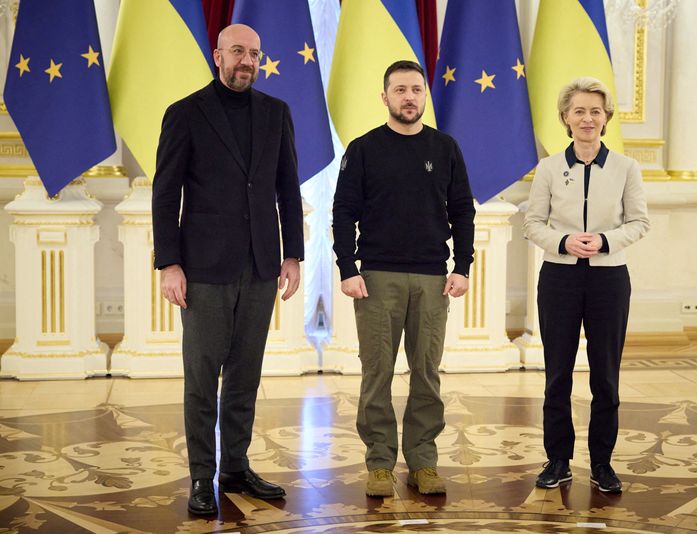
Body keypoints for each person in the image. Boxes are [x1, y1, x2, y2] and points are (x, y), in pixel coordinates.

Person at [152, 24, 303, 515]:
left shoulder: (276, 113)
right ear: (218, 55)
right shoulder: (185, 113)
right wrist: (169, 262)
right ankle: (201, 476)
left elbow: (286, 188)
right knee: (202, 377)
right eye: (238, 51)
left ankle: (235, 467)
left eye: (255, 54)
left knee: (245, 375)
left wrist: (292, 254)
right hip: (203, 270)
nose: (247, 61)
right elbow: (165, 193)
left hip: (261, 265)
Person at [332, 60, 476, 497]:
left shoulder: (445, 148)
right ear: (385, 97)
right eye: (400, 90)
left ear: (424, 96)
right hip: (377, 278)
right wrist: (348, 269)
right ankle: (379, 463)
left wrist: (463, 266)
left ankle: (423, 462)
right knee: (376, 372)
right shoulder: (363, 149)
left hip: (433, 278)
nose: (409, 96)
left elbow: (462, 212)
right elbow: (343, 213)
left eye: (416, 89)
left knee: (427, 373)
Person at [523, 77, 649, 494]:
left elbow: (639, 222)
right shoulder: (548, 168)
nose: (587, 118)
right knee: (557, 373)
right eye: (579, 111)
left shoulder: (627, 168)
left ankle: (602, 463)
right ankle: (557, 459)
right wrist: (563, 241)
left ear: (606, 118)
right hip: (558, 277)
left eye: (595, 111)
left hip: (609, 278)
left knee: (605, 376)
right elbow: (533, 223)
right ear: (565, 118)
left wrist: (605, 241)